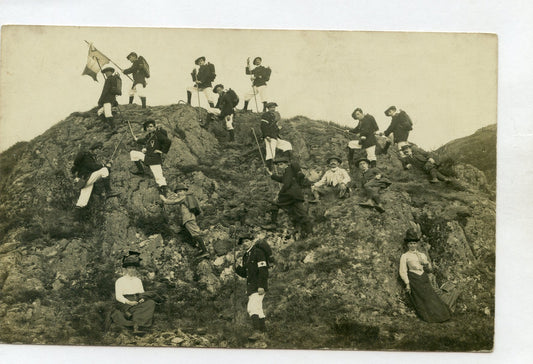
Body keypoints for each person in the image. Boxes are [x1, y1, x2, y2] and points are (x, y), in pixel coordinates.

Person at [399, 224, 451, 323]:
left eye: (414, 243)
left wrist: (426, 264)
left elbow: (429, 269)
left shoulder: (422, 255)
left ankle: (442, 315)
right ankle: (429, 317)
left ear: (417, 244)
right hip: (414, 278)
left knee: (431, 296)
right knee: (422, 299)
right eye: (410, 244)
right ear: (407, 245)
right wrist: (407, 283)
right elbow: (403, 270)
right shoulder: (405, 256)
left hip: (423, 277)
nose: (412, 245)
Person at [234, 236, 274, 340]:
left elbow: (263, 270)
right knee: (258, 310)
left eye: (247, 241)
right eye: (243, 242)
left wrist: (261, 286)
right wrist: (237, 268)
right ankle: (264, 333)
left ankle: (257, 332)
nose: (245, 243)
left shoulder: (258, 252)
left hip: (258, 286)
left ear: (251, 241)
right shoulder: (246, 256)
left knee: (251, 308)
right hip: (251, 286)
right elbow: (246, 274)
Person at [265, 157, 313, 238]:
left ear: (286, 164)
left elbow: (286, 184)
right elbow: (283, 180)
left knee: (276, 204)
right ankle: (308, 232)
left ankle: (273, 224)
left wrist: (279, 195)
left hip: (292, 195)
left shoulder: (288, 170)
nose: (280, 166)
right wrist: (271, 174)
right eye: (278, 165)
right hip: (295, 195)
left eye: (281, 164)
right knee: (299, 213)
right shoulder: (289, 172)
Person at [159, 183, 209, 259]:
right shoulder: (187, 196)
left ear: (184, 191)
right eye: (177, 192)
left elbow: (173, 202)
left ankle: (205, 251)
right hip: (189, 218)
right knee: (193, 234)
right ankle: (200, 249)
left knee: (195, 234)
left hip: (188, 218)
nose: (178, 193)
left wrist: (164, 199)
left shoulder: (184, 197)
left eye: (180, 191)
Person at [112, 251, 157, 334]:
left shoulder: (138, 280)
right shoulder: (120, 281)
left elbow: (142, 293)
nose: (131, 270)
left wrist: (142, 299)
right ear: (126, 269)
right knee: (135, 309)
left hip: (137, 300)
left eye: (133, 268)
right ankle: (136, 326)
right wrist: (128, 302)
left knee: (151, 303)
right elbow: (118, 296)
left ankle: (142, 325)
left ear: (135, 269)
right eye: (129, 268)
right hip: (125, 301)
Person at [71, 142, 120, 209]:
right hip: (85, 178)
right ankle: (108, 192)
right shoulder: (86, 156)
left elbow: (92, 168)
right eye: (97, 150)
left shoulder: (88, 157)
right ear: (94, 149)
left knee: (81, 203)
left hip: (82, 181)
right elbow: (93, 167)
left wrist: (108, 165)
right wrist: (106, 166)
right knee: (104, 170)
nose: (97, 152)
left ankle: (78, 212)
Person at [130, 119, 171, 196]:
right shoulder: (149, 136)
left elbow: (168, 142)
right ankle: (141, 171)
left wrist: (162, 151)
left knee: (159, 177)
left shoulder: (158, 134)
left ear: (154, 127)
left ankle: (165, 192)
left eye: (151, 126)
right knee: (133, 153)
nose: (149, 128)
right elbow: (144, 141)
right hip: (148, 157)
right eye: (147, 127)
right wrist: (137, 140)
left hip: (154, 159)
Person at [261, 102, 293, 171]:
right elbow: (263, 126)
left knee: (287, 145)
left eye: (274, 107)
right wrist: (266, 136)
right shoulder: (265, 115)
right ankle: (269, 169)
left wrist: (278, 128)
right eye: (271, 107)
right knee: (270, 152)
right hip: (269, 137)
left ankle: (285, 161)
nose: (273, 109)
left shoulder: (274, 115)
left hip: (275, 137)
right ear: (268, 108)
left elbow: (275, 128)